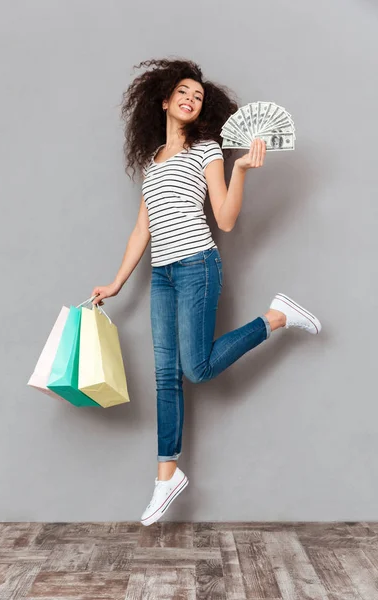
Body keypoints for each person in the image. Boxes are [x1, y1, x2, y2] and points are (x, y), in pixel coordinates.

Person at [90, 58, 322, 527]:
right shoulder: (154, 161)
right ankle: (166, 477)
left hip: (198, 266)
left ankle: (275, 317)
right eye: (183, 92)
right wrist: (115, 282)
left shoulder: (208, 151)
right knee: (165, 377)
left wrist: (239, 173)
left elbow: (226, 220)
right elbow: (143, 228)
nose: (191, 99)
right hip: (162, 276)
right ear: (163, 100)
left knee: (195, 368)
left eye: (198, 96)